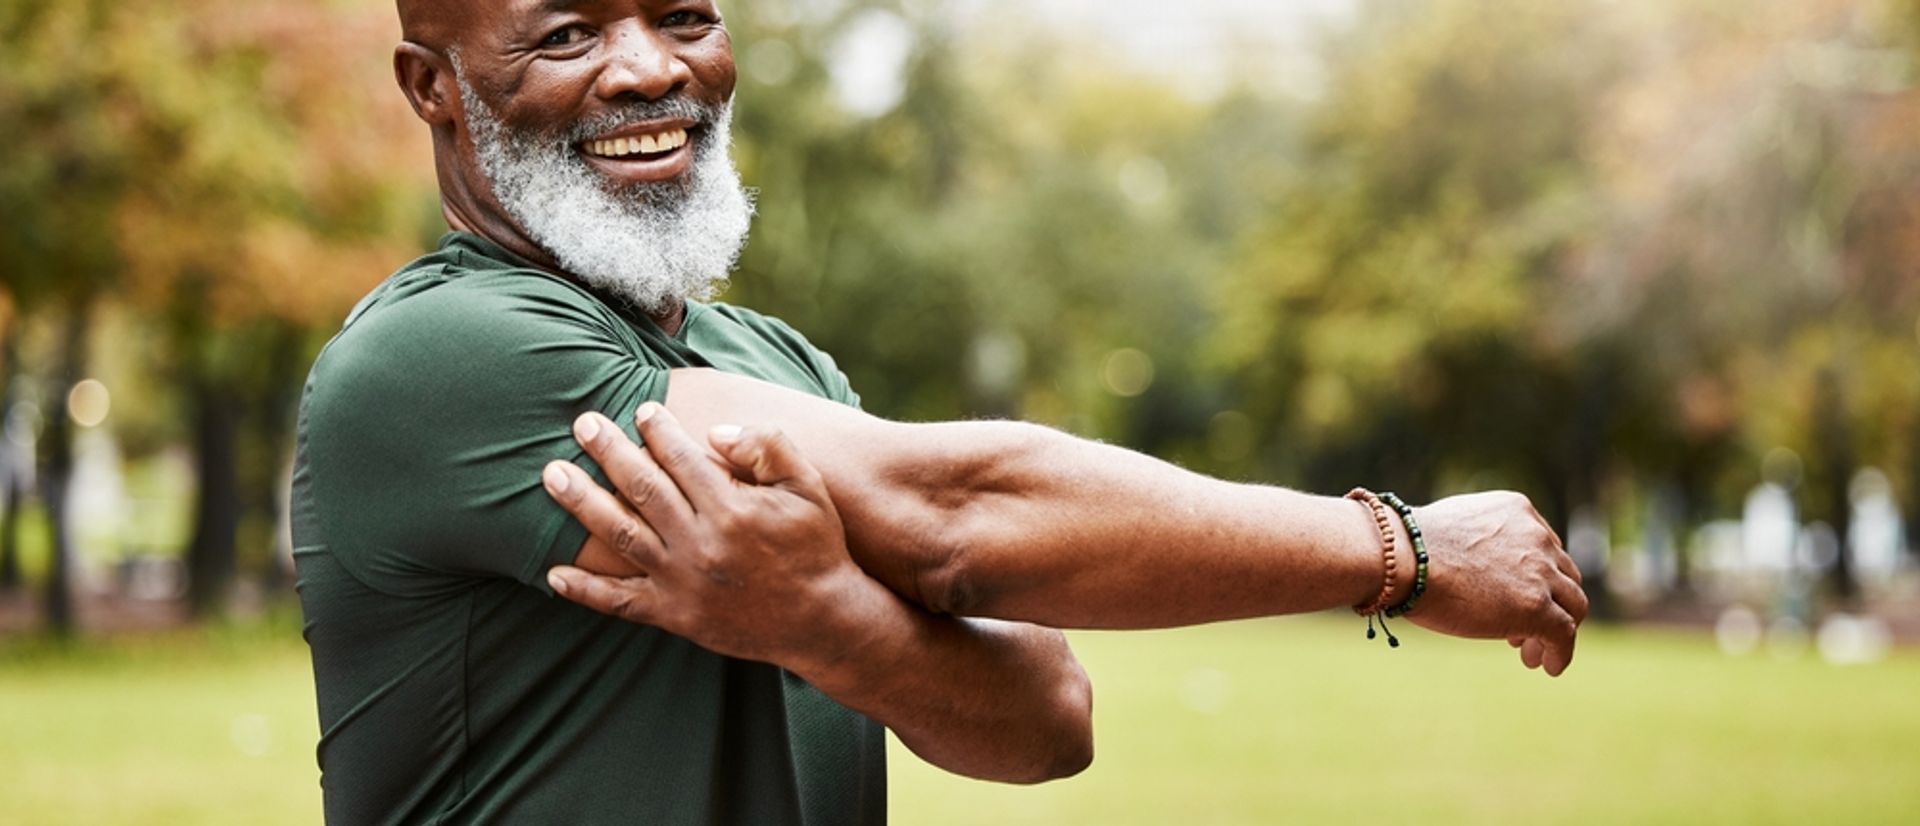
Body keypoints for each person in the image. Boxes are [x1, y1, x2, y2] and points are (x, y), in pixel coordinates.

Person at [291, 1, 1586, 824]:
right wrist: (1398, 551)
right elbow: (954, 510)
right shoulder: (438, 355)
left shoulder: (780, 364)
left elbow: (1047, 719)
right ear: (433, 83)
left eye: (683, 14)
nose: (648, 70)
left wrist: (830, 620)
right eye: (565, 31)